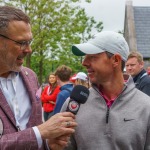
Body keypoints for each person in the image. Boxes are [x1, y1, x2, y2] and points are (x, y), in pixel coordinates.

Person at [0, 6, 77, 150]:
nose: (29, 50)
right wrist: (39, 133)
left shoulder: (31, 77)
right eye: (22, 42)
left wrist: (47, 144)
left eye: (29, 42)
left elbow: (35, 134)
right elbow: (37, 132)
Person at [63, 31, 150, 150]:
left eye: (93, 56)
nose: (84, 62)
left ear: (115, 60)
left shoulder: (146, 106)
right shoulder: (73, 105)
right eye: (85, 56)